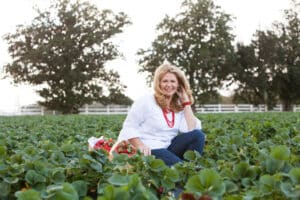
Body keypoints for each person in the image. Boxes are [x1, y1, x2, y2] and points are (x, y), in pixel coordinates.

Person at [117, 62, 205, 166]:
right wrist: (140, 145)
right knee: (181, 169)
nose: (169, 85)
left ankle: (188, 166)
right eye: (165, 81)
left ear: (179, 85)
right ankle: (188, 169)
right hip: (149, 149)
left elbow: (191, 129)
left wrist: (186, 102)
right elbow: (129, 126)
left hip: (168, 147)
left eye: (173, 81)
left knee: (198, 135)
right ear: (158, 84)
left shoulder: (178, 106)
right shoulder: (146, 101)